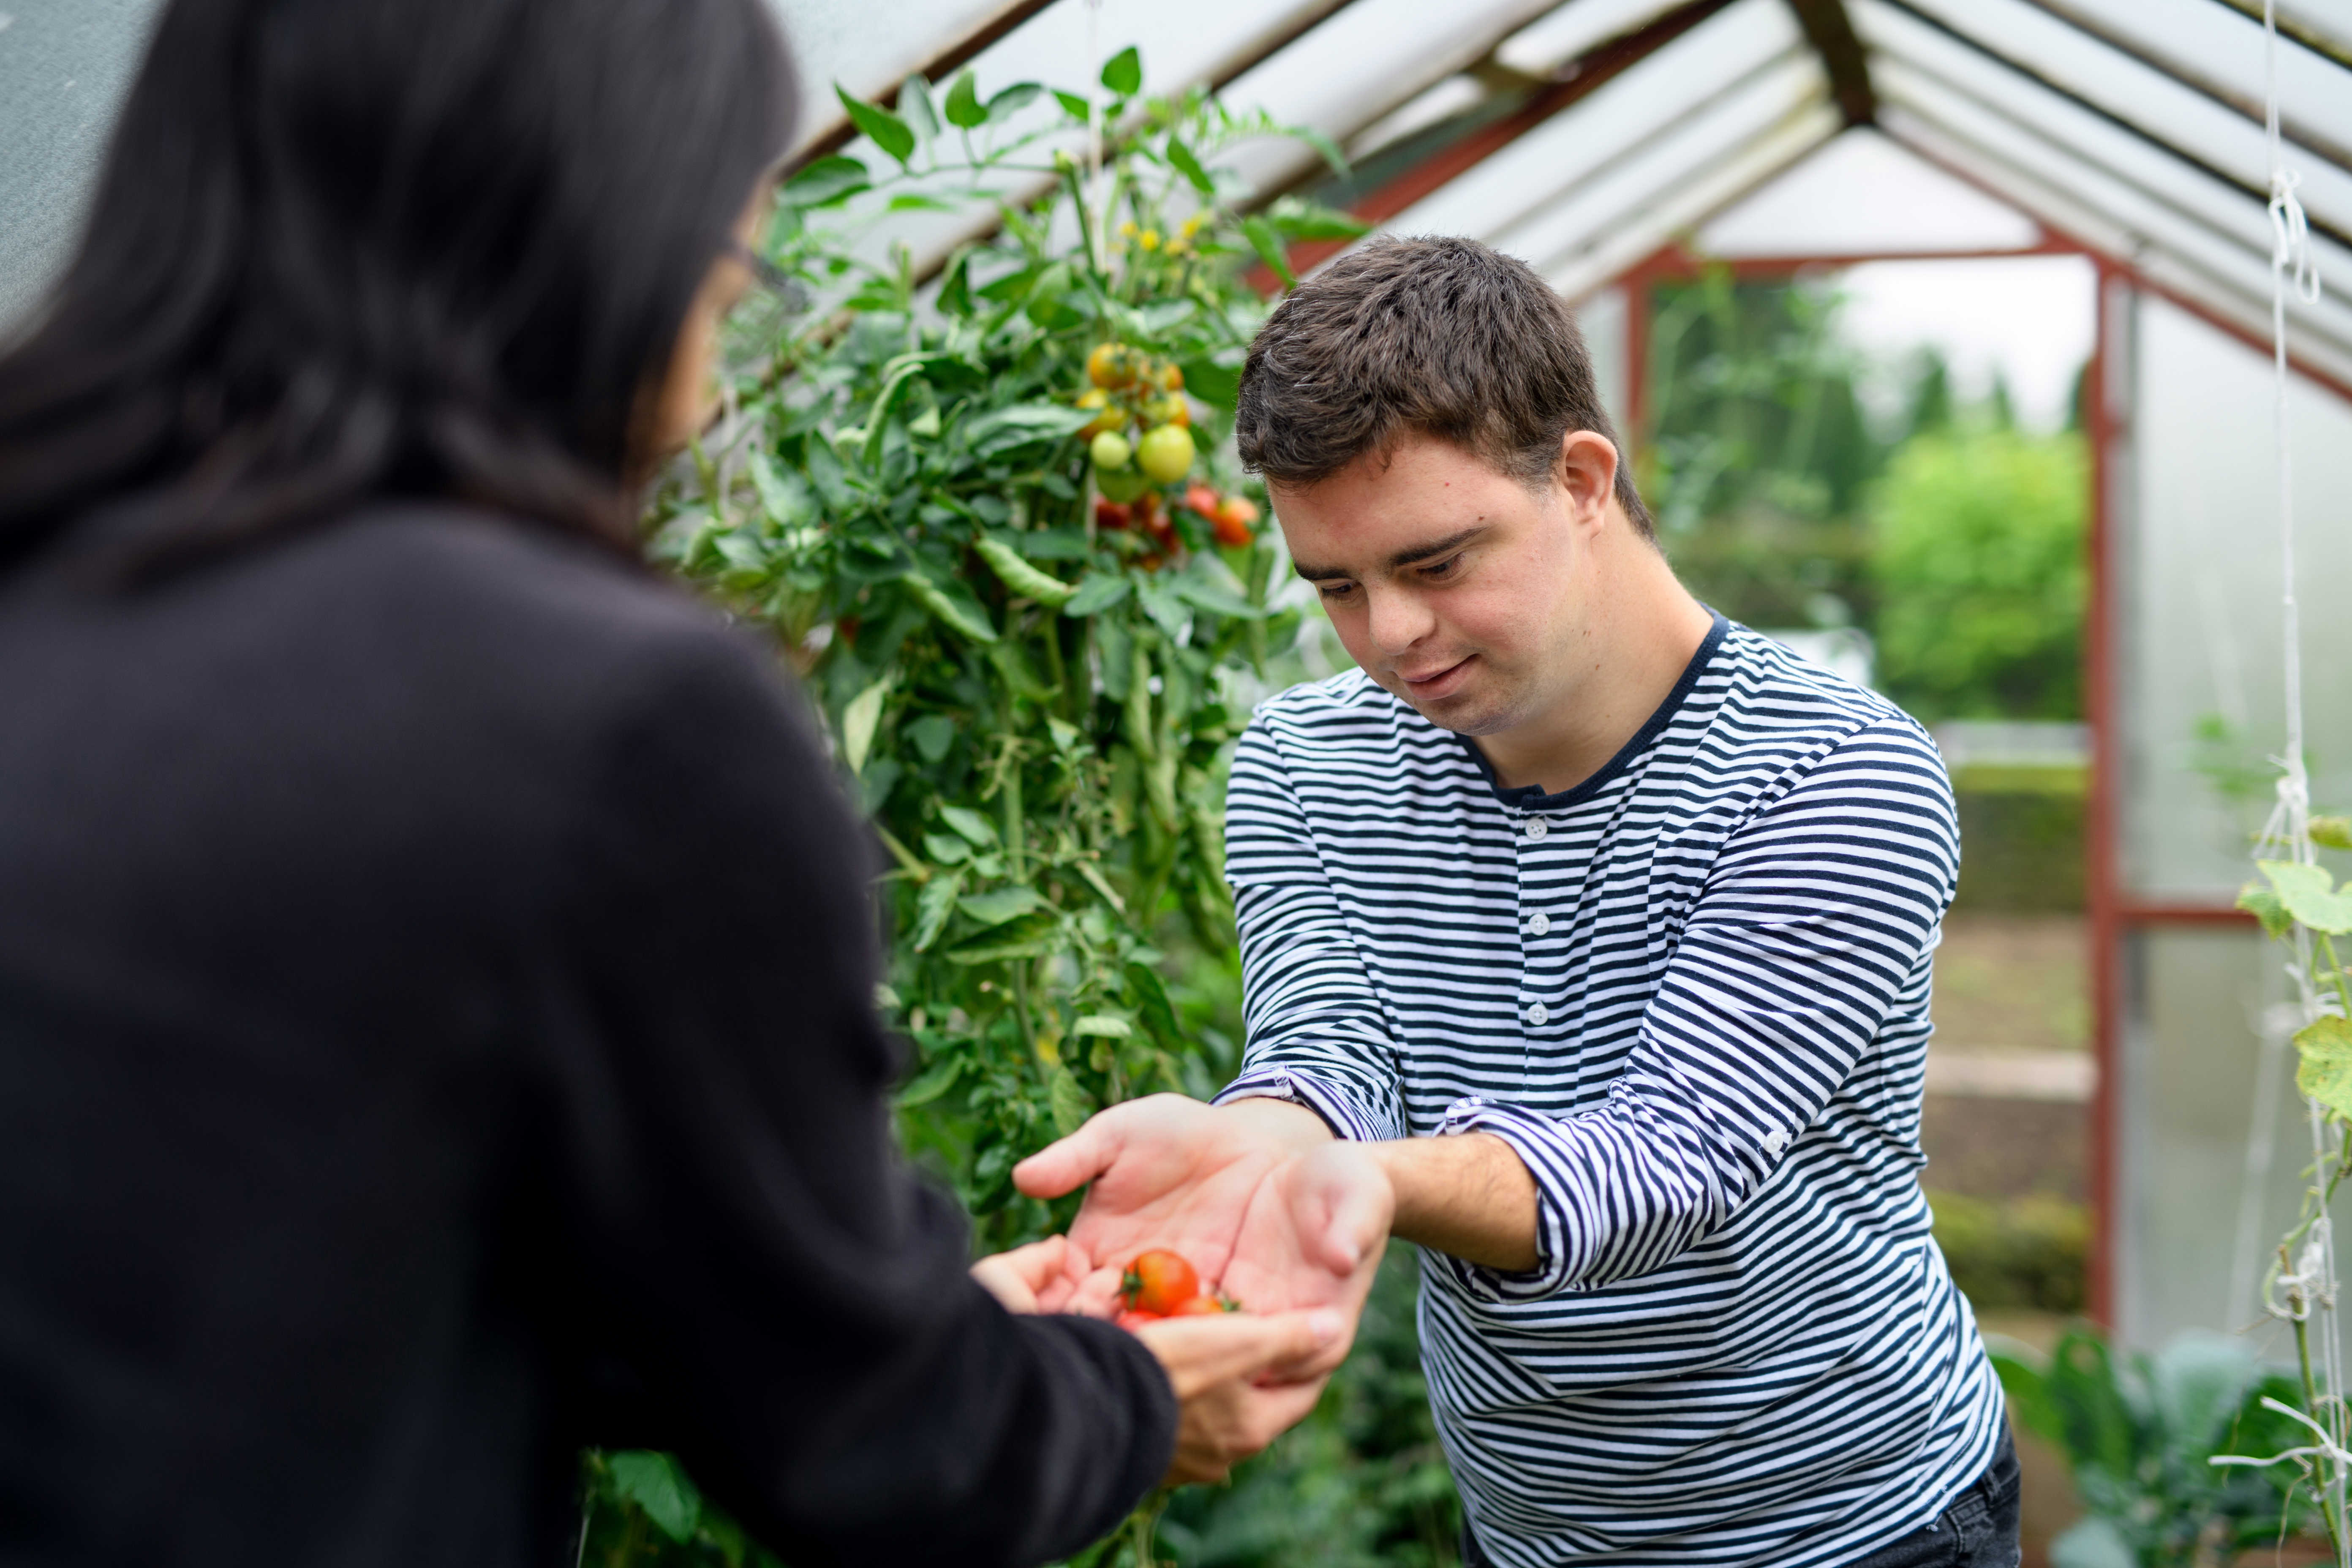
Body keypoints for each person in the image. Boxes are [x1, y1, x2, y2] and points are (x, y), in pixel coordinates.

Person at [0, 2, 1389, 1565]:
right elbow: (876, 1452)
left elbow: (280, 1249)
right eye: (730, 278)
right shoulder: (605, 717)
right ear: (607, 263)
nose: (712, 368)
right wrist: (1108, 1395)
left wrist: (844, 1311)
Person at [1017, 237, 2020, 1568]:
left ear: (1582, 479)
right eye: (1336, 587)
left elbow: (1675, 1155)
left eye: (1435, 565)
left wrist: (1355, 1182)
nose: (1390, 637)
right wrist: (1254, 1145)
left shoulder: (1832, 770)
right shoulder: (1308, 765)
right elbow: (1331, 1049)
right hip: (1532, 1527)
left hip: (1855, 1521)